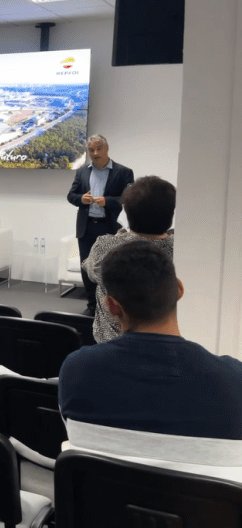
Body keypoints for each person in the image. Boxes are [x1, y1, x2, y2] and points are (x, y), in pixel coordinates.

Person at [59, 240, 242, 476]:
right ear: (179, 290)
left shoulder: (77, 371)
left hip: (102, 499)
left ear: (112, 306)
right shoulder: (234, 381)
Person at [83, 176, 176, 343]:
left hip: (110, 345)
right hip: (163, 344)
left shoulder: (106, 246)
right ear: (171, 213)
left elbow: (90, 271)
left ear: (127, 212)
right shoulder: (179, 250)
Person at [67, 134, 134, 314]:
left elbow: (130, 198)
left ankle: (112, 308)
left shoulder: (124, 172)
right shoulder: (82, 171)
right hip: (87, 227)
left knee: (111, 268)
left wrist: (108, 201)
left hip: (111, 227)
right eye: (91, 150)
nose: (95, 153)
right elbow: (71, 196)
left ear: (107, 148)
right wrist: (81, 199)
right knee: (87, 267)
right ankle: (92, 306)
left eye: (98, 149)